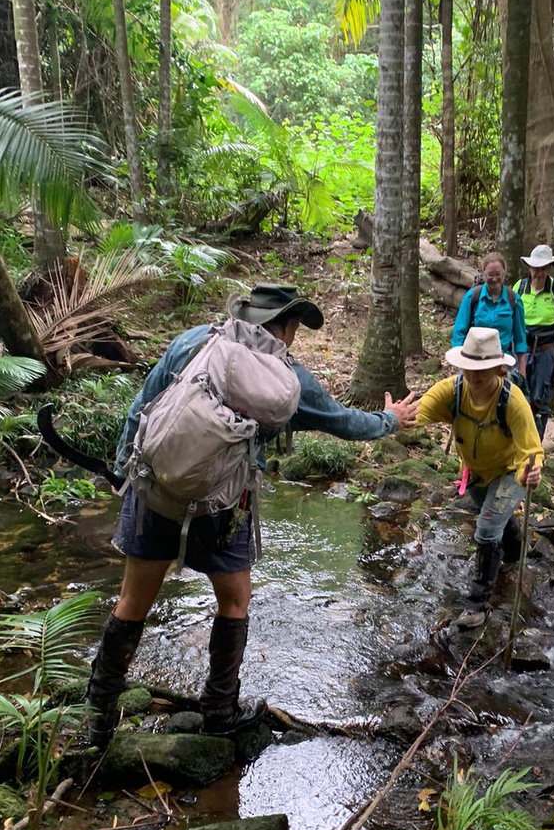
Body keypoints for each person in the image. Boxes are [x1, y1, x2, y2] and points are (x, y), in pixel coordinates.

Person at [86, 283, 420, 747]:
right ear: (284, 328)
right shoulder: (290, 383)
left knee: (131, 603)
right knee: (234, 603)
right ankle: (220, 710)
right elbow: (343, 423)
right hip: (223, 506)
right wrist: (390, 420)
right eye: (295, 327)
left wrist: (125, 466)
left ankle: (98, 718)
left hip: (155, 491)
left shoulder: (195, 343)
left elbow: (143, 407)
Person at [415, 326, 544, 628]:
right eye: (468, 370)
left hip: (510, 472)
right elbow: (420, 413)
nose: (473, 378)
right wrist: (397, 419)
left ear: (498, 369)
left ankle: (478, 603)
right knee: (496, 519)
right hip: (476, 473)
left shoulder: (512, 402)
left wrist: (531, 470)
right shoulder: (452, 391)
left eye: (482, 372)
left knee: (486, 528)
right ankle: (515, 554)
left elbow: (532, 450)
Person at [513, 244, 554, 438]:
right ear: (529, 267)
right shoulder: (519, 288)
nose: (539, 272)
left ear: (549, 268)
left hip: (545, 354)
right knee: (516, 398)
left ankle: (535, 448)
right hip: (520, 352)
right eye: (536, 267)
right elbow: (511, 323)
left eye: (544, 267)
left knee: (540, 402)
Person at [451, 252, 528, 381]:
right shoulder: (472, 297)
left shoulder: (514, 300)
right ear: (483, 274)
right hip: (473, 362)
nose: (494, 279)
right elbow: (459, 331)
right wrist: (460, 362)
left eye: (498, 274)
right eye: (490, 275)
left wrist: (522, 371)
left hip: (503, 363)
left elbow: (520, 339)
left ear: (504, 273)